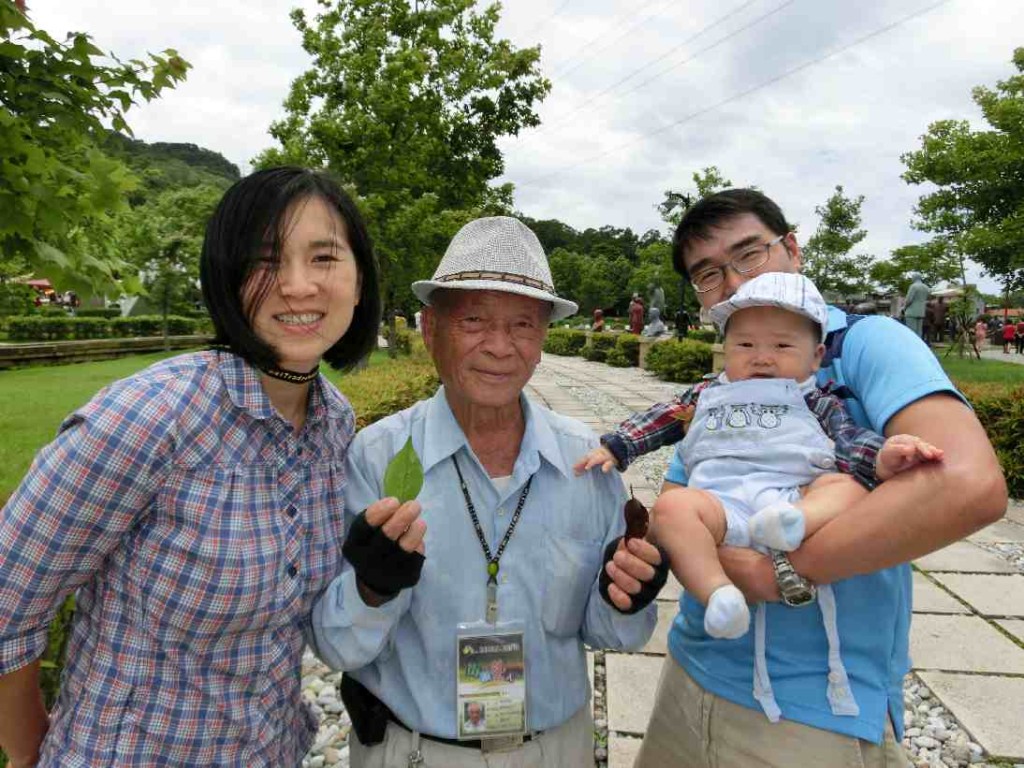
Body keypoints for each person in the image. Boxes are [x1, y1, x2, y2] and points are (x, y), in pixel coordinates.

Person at [0, 167, 382, 767]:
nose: (299, 285)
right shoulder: (151, 416)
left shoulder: (335, 423)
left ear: (359, 282)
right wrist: (29, 755)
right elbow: (6, 602)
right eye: (265, 261)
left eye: (324, 257)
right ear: (226, 281)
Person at [631, 189, 1005, 767]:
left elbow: (967, 484)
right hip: (689, 666)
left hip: (814, 707)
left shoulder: (865, 343)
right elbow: (681, 498)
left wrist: (777, 574)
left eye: (749, 254)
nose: (733, 282)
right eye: (708, 274)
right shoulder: (732, 370)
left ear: (792, 248)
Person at [309, 216, 662, 768]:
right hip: (415, 753)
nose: (500, 347)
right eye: (473, 319)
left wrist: (627, 595)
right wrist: (372, 589)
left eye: (523, 325)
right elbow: (336, 646)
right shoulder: (376, 459)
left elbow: (608, 632)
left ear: (543, 339)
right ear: (431, 330)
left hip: (555, 751)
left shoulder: (585, 462)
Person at [576, 272, 942, 720]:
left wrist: (885, 457)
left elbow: (848, 442)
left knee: (845, 485)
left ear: (816, 356)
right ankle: (719, 595)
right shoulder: (709, 393)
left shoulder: (818, 399)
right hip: (721, 503)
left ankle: (798, 520)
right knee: (672, 509)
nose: (762, 358)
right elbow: (663, 417)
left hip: (793, 492)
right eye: (745, 346)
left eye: (783, 347)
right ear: (726, 350)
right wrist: (618, 444)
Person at [903, 274, 930, 339]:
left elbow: (909, 300)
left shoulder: (913, 286)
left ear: (915, 278)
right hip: (921, 312)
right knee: (919, 332)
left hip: (911, 312)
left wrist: (904, 308)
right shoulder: (926, 287)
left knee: (911, 332)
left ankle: (911, 346)